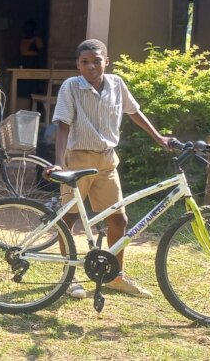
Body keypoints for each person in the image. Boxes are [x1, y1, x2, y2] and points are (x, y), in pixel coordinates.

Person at [44, 38, 171, 299]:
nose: (91, 66)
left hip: (107, 160)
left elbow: (134, 112)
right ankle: (69, 277)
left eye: (97, 61)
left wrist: (158, 137)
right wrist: (58, 161)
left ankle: (115, 276)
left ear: (107, 61)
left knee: (118, 219)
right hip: (78, 159)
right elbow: (63, 125)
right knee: (69, 217)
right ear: (78, 65)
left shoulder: (116, 84)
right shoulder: (72, 87)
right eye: (85, 62)